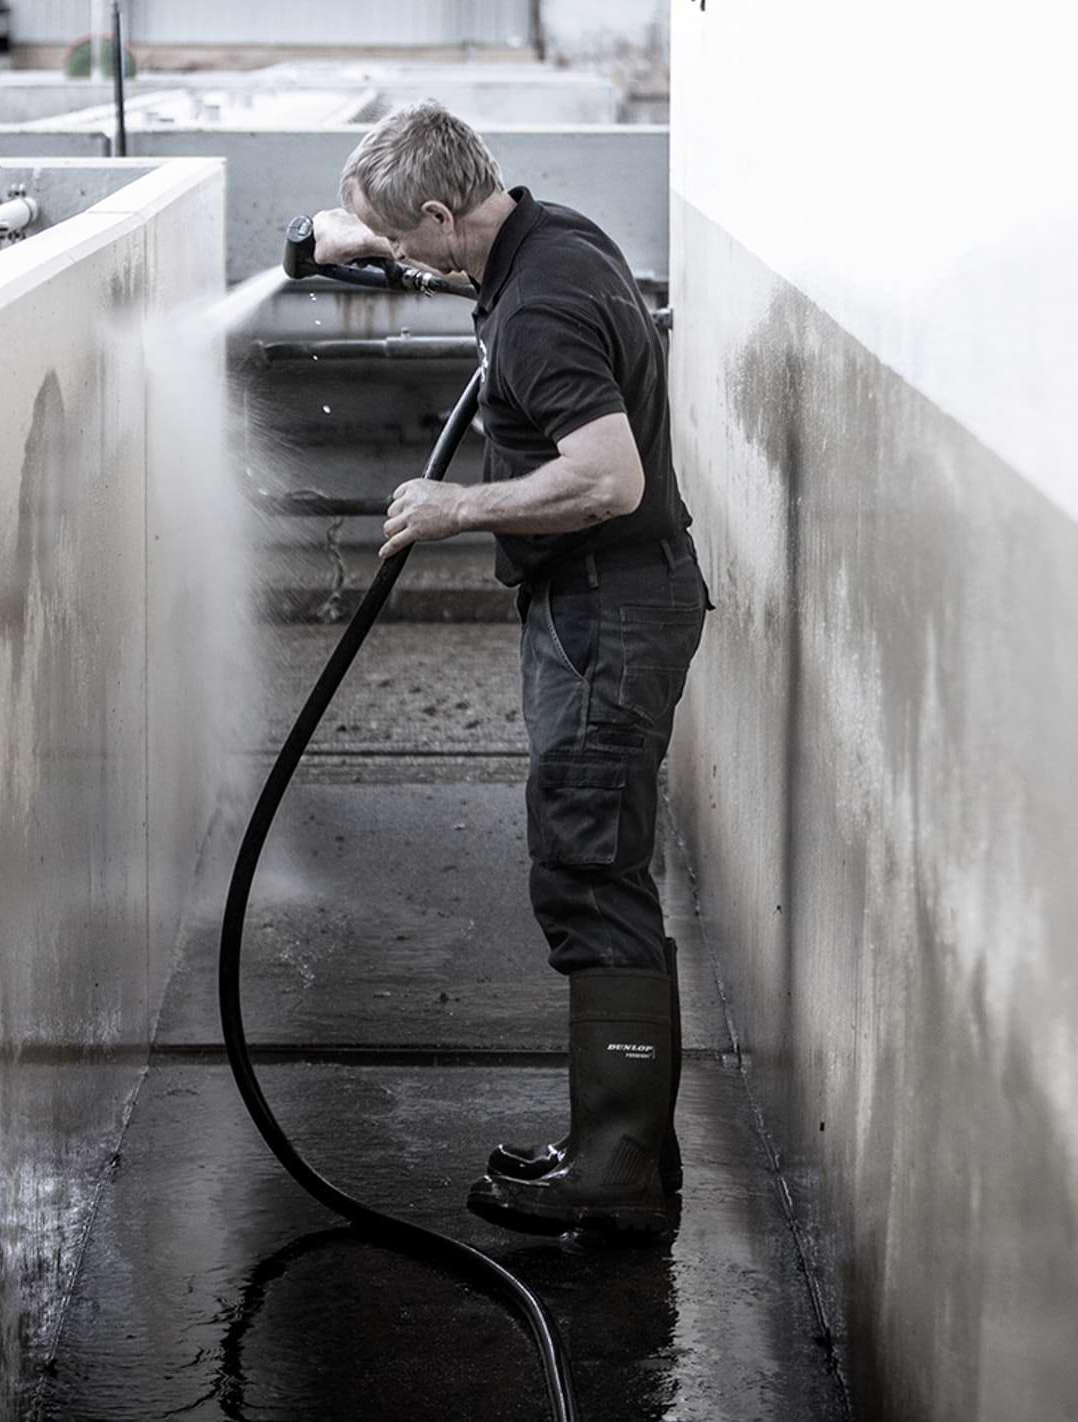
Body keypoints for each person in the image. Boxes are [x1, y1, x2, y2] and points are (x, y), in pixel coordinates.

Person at [311, 102, 709, 1236]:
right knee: (604, 864)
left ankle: (619, 1175)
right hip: (609, 602)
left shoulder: (536, 311)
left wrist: (457, 505)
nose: (398, 258)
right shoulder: (552, 238)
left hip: (607, 613)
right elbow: (475, 283)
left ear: (444, 210)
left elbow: (608, 478)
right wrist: (354, 245)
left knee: (589, 868)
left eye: (403, 239)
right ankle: (620, 1149)